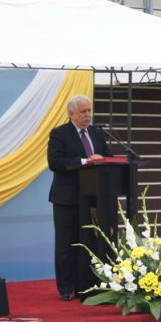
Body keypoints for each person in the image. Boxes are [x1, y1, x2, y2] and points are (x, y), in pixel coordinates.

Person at [48, 95, 112, 301]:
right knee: (66, 243)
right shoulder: (59, 134)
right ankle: (66, 287)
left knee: (89, 242)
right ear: (71, 113)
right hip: (67, 198)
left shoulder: (97, 134)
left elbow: (109, 157)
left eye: (89, 111)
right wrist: (85, 161)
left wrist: (103, 159)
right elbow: (55, 162)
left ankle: (87, 284)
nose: (88, 115)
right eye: (83, 112)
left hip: (93, 197)